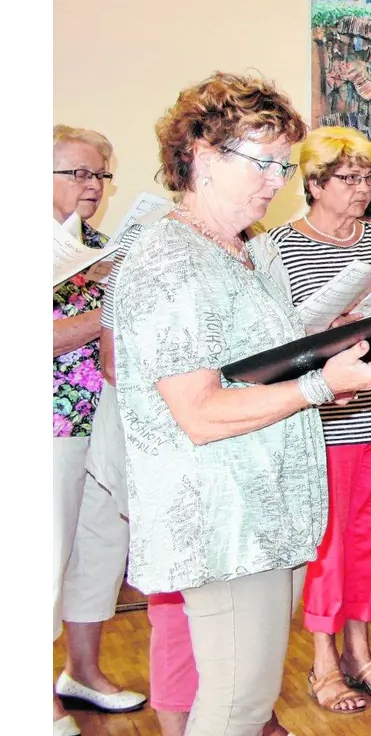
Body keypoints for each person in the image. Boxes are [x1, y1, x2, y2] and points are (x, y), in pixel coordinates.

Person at [116, 72, 371, 736]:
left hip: (268, 511)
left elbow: (256, 361)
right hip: (221, 517)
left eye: (282, 164)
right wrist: (324, 385)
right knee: (235, 703)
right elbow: (199, 411)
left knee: (248, 699)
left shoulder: (248, 252)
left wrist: (344, 346)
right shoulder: (170, 261)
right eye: (261, 162)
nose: (275, 180)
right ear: (200, 154)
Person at [258, 128, 371, 712]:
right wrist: (328, 330)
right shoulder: (278, 246)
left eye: (369, 178)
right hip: (325, 419)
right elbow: (272, 343)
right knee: (327, 544)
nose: (362, 190)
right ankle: (323, 661)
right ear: (314, 184)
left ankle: (359, 648)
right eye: (348, 179)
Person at [51, 126, 147, 736]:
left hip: (105, 417)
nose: (93, 186)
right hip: (49, 422)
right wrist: (110, 309)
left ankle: (82, 672)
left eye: (99, 175)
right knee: (41, 556)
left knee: (100, 548)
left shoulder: (101, 247)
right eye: (77, 173)